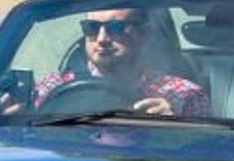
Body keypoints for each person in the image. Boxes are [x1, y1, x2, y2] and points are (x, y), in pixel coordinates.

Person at [22, 6, 208, 117]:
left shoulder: (184, 95)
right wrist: (11, 117)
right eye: (92, 27)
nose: (102, 38)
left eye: (116, 27)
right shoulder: (51, 87)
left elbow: (205, 154)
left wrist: (177, 128)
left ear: (144, 33)